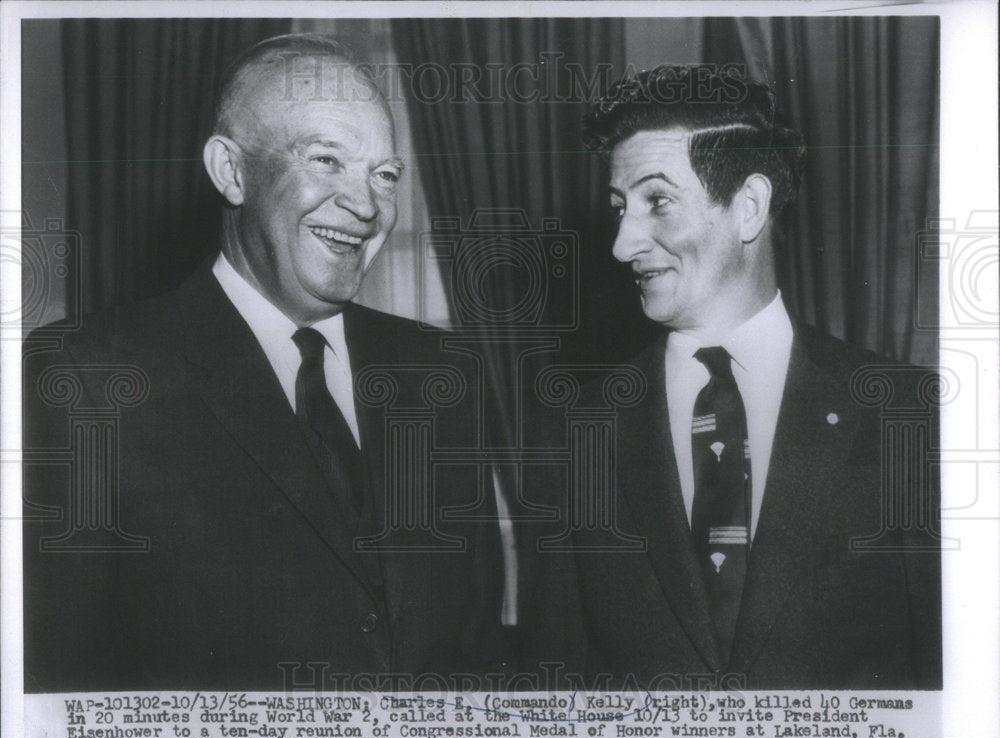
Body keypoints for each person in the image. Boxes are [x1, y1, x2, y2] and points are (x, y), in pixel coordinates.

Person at [22, 34, 506, 692]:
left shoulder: (444, 371)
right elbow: (60, 688)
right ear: (232, 170)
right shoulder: (89, 377)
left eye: (384, 175)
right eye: (327, 160)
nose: (365, 207)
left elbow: (473, 645)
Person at [518, 65, 941, 690]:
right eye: (619, 208)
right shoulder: (575, 429)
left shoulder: (906, 414)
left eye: (657, 201)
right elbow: (552, 689)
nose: (622, 243)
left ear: (748, 207)